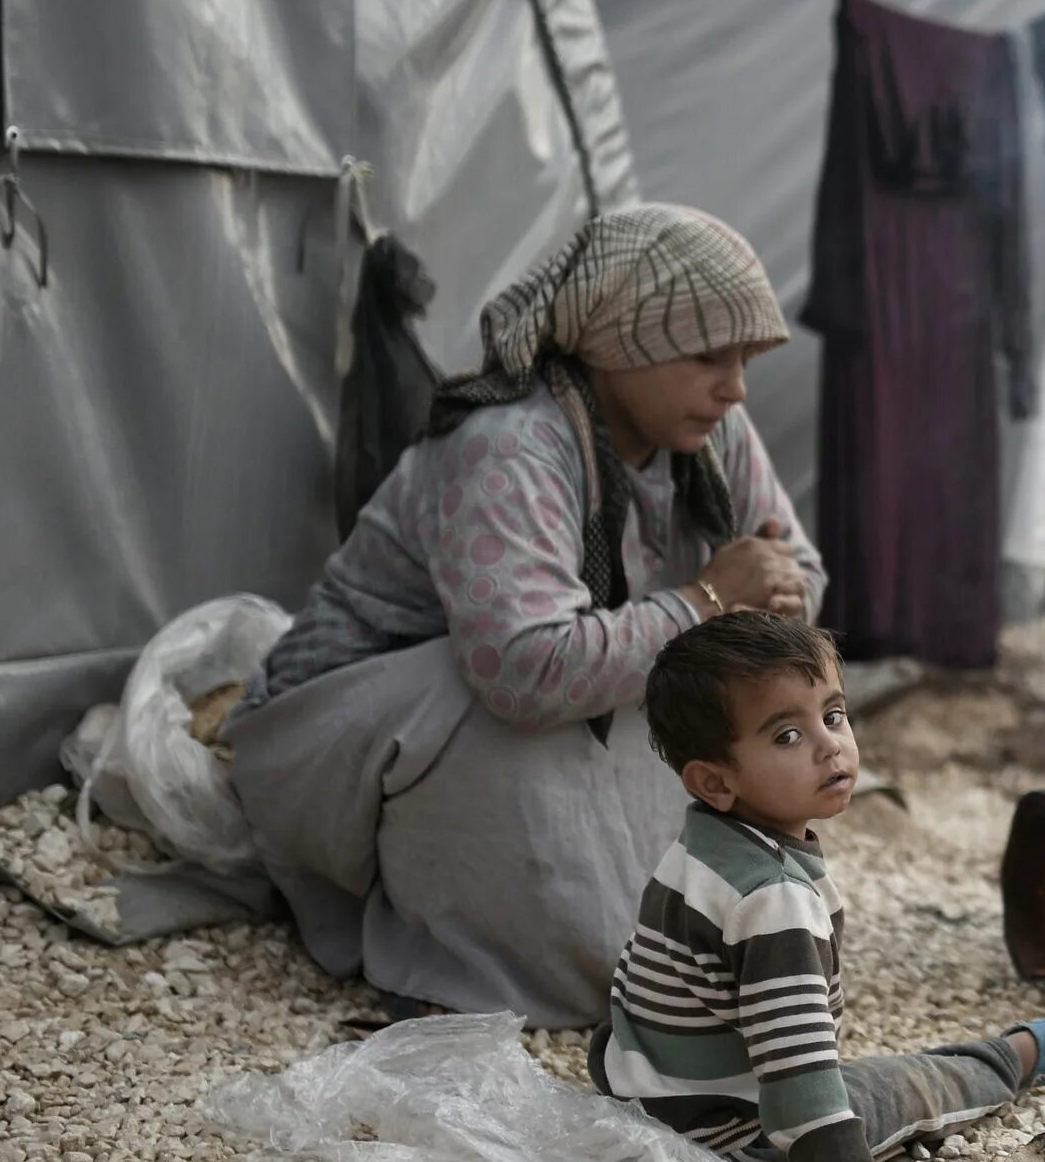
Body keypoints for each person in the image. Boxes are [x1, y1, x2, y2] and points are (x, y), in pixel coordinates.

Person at [228, 205, 825, 1026]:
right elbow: (523, 670)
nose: (736, 386)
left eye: (745, 359)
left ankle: (607, 945)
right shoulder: (507, 445)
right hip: (343, 738)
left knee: (711, 705)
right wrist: (711, 599)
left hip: (550, 698)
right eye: (707, 357)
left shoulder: (714, 428)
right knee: (520, 694)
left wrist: (770, 597)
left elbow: (800, 575)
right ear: (621, 343)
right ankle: (466, 965)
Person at [592, 613, 1045, 1162]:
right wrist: (835, 1147)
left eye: (832, 716)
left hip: (643, 1090)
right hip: (725, 1135)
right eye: (786, 736)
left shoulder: (703, 847)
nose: (830, 745)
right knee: (904, 1088)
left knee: (847, 1070)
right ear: (715, 781)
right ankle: (1008, 1060)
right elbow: (792, 1042)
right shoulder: (774, 896)